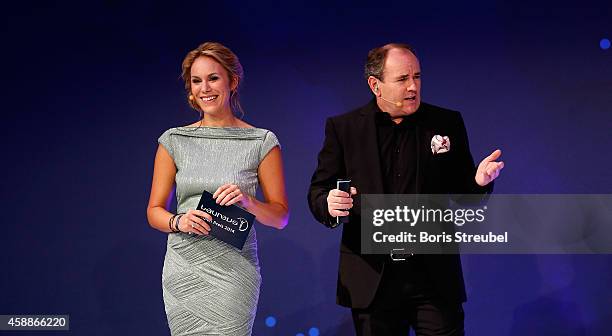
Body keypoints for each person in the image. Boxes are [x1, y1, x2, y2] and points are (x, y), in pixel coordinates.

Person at [307, 43, 504, 336]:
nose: (413, 86)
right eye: (402, 79)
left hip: (433, 276)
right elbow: (318, 191)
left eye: (418, 77)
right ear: (375, 85)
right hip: (373, 276)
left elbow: (463, 193)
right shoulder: (345, 128)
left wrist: (479, 182)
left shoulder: (446, 122)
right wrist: (329, 203)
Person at [146, 42, 289, 336]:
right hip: (184, 268)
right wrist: (177, 221)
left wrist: (249, 201)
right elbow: (153, 211)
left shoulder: (261, 141)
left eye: (213, 78)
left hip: (234, 273)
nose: (204, 88)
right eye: (196, 81)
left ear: (232, 81)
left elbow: (280, 217)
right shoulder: (174, 140)